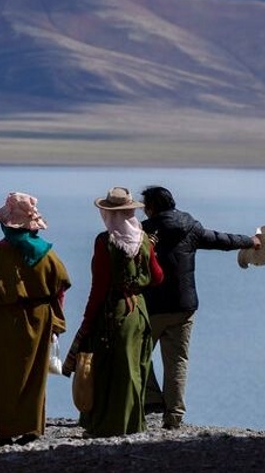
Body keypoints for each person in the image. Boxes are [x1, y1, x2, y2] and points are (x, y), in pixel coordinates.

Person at [140, 185, 260, 430]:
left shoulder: (143, 231)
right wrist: (250, 241)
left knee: (136, 353)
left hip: (151, 308)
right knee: (177, 361)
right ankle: (174, 416)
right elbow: (221, 240)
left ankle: (152, 399)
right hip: (183, 307)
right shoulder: (190, 227)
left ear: (151, 207)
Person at [0, 192, 71, 446]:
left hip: (5, 319)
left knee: (4, 374)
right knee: (35, 374)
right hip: (40, 319)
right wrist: (56, 323)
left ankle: (5, 431)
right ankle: (32, 427)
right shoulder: (47, 254)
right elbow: (60, 288)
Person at [65, 187, 163, 437]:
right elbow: (157, 277)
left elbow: (99, 287)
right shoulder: (143, 240)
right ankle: (133, 423)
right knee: (134, 367)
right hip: (138, 312)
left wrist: (87, 322)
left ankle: (106, 425)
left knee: (107, 368)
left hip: (113, 312)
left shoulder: (106, 242)